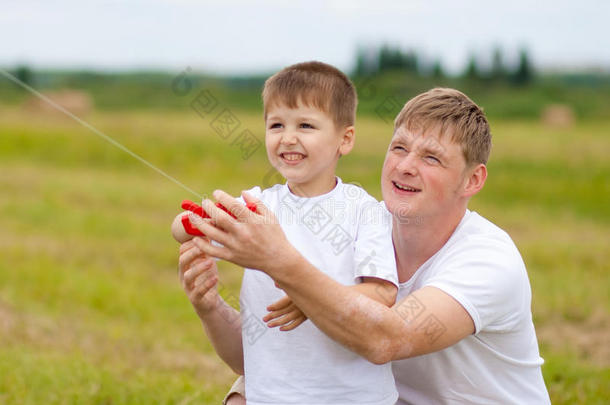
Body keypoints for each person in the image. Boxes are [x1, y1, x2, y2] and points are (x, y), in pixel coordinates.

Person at [185, 88, 551, 404]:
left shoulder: (487, 259)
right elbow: (266, 362)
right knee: (249, 390)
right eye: (399, 148)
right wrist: (211, 308)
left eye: (431, 157)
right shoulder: (362, 228)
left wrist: (282, 263)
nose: (405, 166)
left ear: (473, 179)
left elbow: (385, 339)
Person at [176, 61, 400, 405]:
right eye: (276, 124)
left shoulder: (363, 210)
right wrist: (194, 222)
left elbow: (382, 294)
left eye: (306, 125)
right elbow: (181, 228)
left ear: (345, 138)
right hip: (270, 394)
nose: (288, 137)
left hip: (353, 397)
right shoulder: (258, 206)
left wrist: (314, 298)